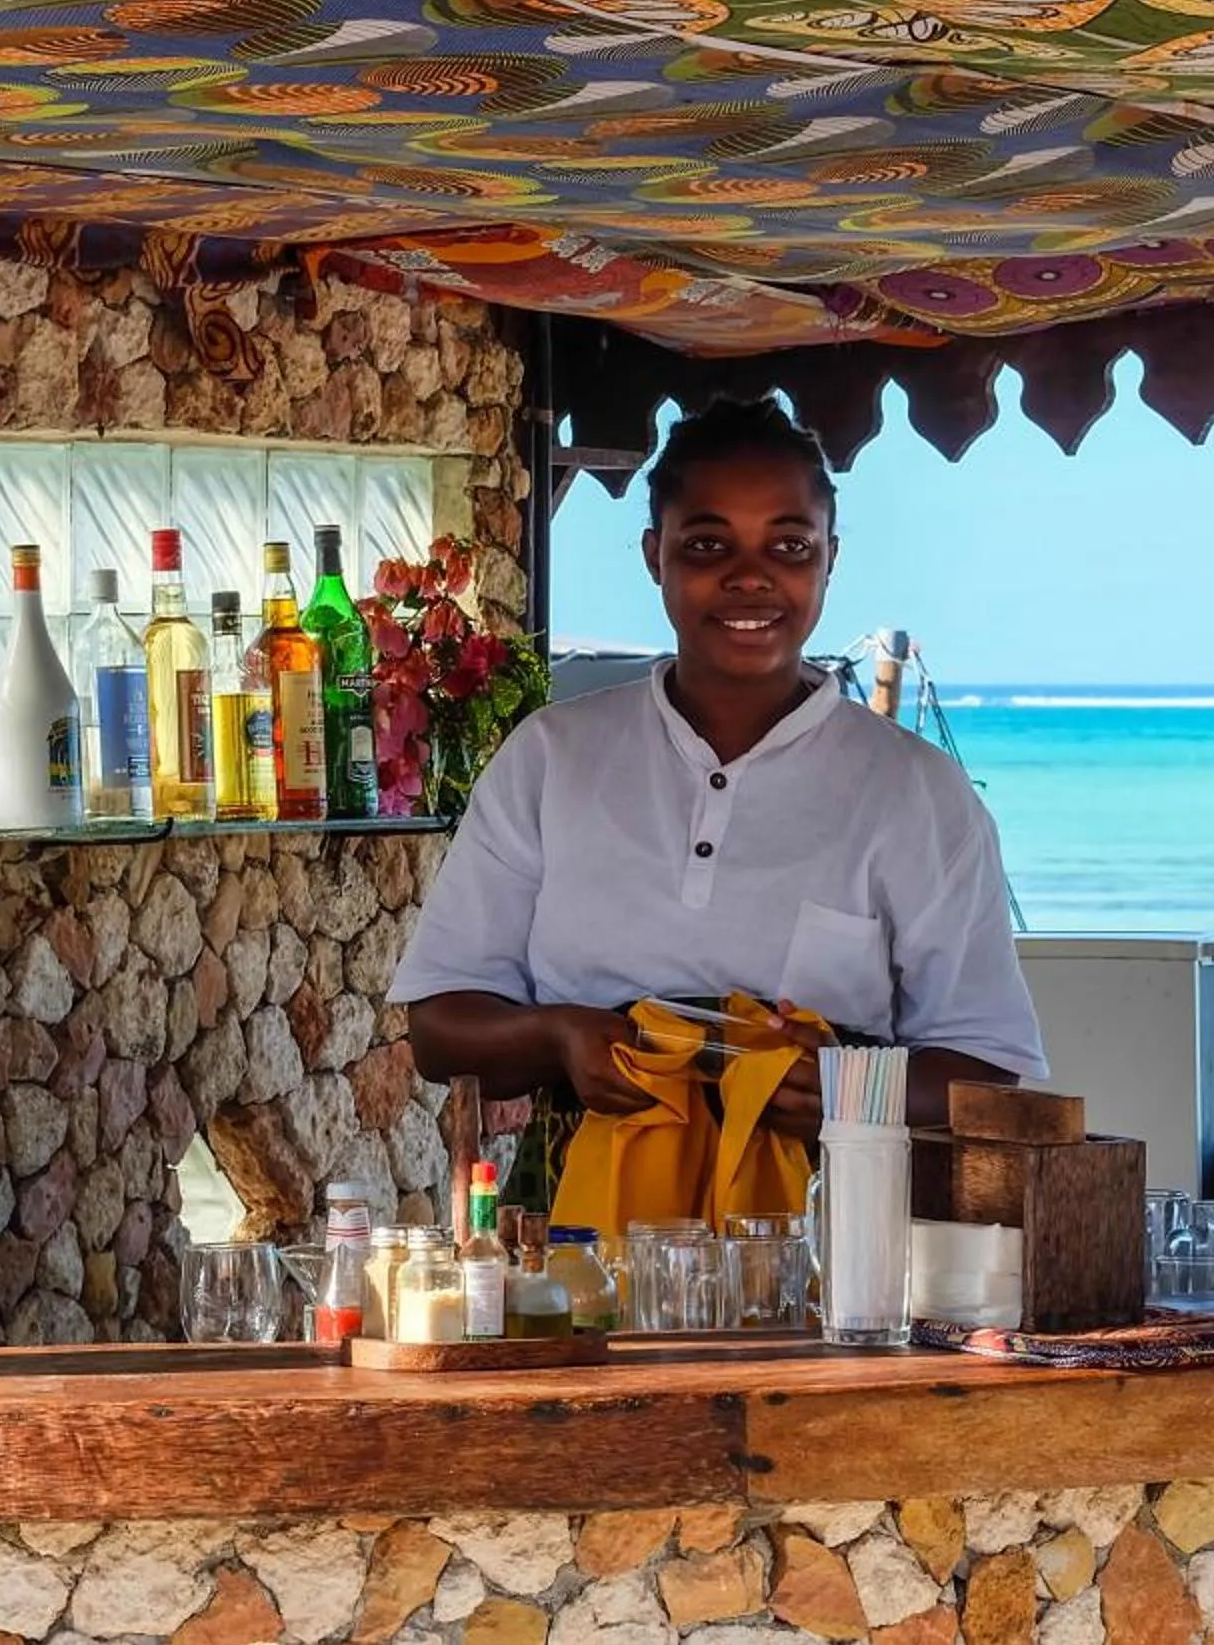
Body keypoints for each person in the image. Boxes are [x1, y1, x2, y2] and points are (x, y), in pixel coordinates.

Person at [390, 396, 1044, 1222]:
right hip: (571, 1229)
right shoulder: (553, 757)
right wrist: (557, 1036)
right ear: (653, 555)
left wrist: (850, 1088)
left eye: (790, 546)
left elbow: (990, 1067)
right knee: (568, 1319)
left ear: (830, 560)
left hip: (828, 1238)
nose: (750, 576)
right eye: (707, 545)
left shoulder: (916, 792)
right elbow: (439, 1028)